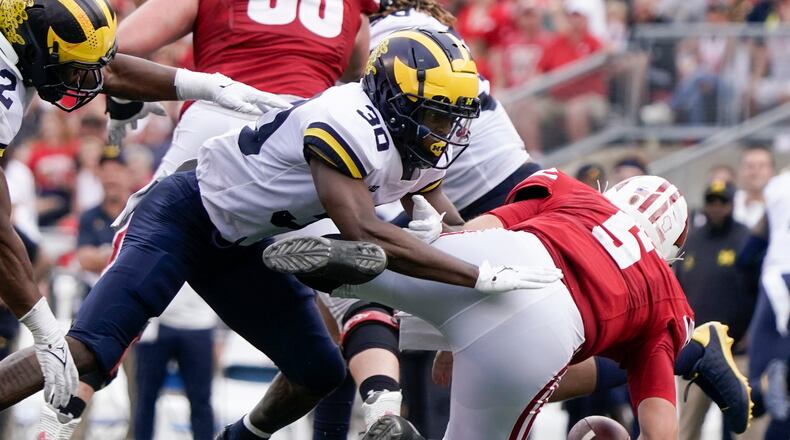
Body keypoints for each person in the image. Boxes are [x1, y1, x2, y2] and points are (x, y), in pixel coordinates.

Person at [0, 30, 548, 440]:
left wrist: (458, 236)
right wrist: (476, 273)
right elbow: (364, 230)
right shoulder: (346, 118)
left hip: (243, 246)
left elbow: (437, 208)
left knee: (318, 371)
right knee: (86, 352)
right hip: (185, 215)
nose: (442, 132)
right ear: (395, 100)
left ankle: (241, 437)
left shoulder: (413, 140)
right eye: (431, 116)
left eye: (447, 118)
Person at [0, 0, 291, 430]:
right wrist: (44, 330)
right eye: (73, 68)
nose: (85, 81)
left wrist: (206, 86)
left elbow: (111, 71)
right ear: (32, 45)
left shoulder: (23, 46)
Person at [268, 170, 695, 439]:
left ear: (614, 193)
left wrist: (443, 260)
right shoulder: (667, 301)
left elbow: (486, 227)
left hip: (504, 258)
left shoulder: (577, 193)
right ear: (669, 250)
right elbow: (661, 429)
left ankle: (363, 264)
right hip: (551, 329)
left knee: (405, 274)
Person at [674, 179, 758, 438]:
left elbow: (759, 289)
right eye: (712, 201)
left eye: (723, 201)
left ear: (732, 204)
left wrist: (753, 332)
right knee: (686, 428)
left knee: (745, 429)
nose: (717, 207)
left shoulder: (746, 238)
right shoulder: (692, 241)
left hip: (737, 350)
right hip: (696, 352)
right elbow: (677, 290)